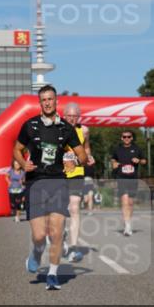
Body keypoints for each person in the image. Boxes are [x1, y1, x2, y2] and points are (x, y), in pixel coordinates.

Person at [13, 85, 89, 291]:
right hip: (35, 182)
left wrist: (75, 162)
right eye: (44, 99)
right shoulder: (29, 125)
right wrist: (23, 162)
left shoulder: (66, 128)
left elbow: (82, 156)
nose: (47, 102)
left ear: (56, 102)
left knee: (56, 233)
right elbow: (17, 149)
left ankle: (53, 274)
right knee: (39, 236)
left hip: (58, 183)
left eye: (50, 99)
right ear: (40, 102)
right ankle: (37, 251)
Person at [61, 102, 94, 261]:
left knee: (74, 208)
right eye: (69, 116)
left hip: (76, 172)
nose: (72, 119)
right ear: (64, 115)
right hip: (59, 174)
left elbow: (86, 148)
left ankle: (73, 248)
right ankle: (61, 236)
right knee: (58, 211)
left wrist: (89, 157)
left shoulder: (84, 130)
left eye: (75, 116)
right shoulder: (56, 129)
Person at [111, 130, 146, 236]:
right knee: (124, 201)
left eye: (128, 137)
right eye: (124, 137)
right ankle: (127, 226)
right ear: (121, 138)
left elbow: (145, 161)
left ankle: (128, 222)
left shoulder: (137, 149)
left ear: (131, 138)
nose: (126, 138)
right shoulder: (117, 149)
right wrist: (114, 163)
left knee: (130, 203)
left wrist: (139, 161)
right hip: (121, 177)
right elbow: (113, 159)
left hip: (133, 178)